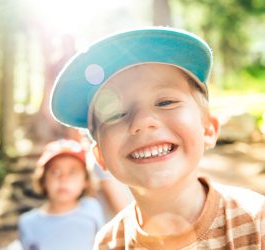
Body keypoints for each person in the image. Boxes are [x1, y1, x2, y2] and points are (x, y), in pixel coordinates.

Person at [50, 27, 265, 249]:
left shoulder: (257, 223)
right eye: (115, 114)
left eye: (165, 102)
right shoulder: (108, 243)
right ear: (100, 156)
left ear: (208, 128)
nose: (142, 121)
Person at [18, 139, 104, 250]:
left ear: (85, 181)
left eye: (72, 172)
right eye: (55, 172)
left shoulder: (92, 208)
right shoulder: (28, 223)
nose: (64, 179)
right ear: (43, 179)